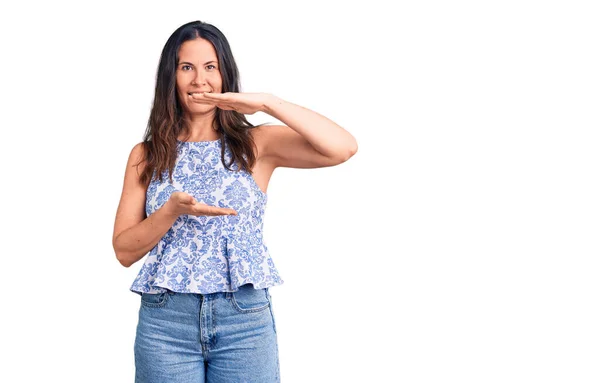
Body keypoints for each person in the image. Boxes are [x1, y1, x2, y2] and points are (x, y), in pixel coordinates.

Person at [112, 20, 358, 382]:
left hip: (243, 319)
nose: (200, 80)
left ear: (225, 75)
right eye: (187, 68)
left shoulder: (255, 145)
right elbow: (123, 251)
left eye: (210, 67)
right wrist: (170, 212)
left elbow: (343, 148)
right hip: (166, 323)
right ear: (171, 77)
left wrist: (266, 104)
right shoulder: (147, 154)